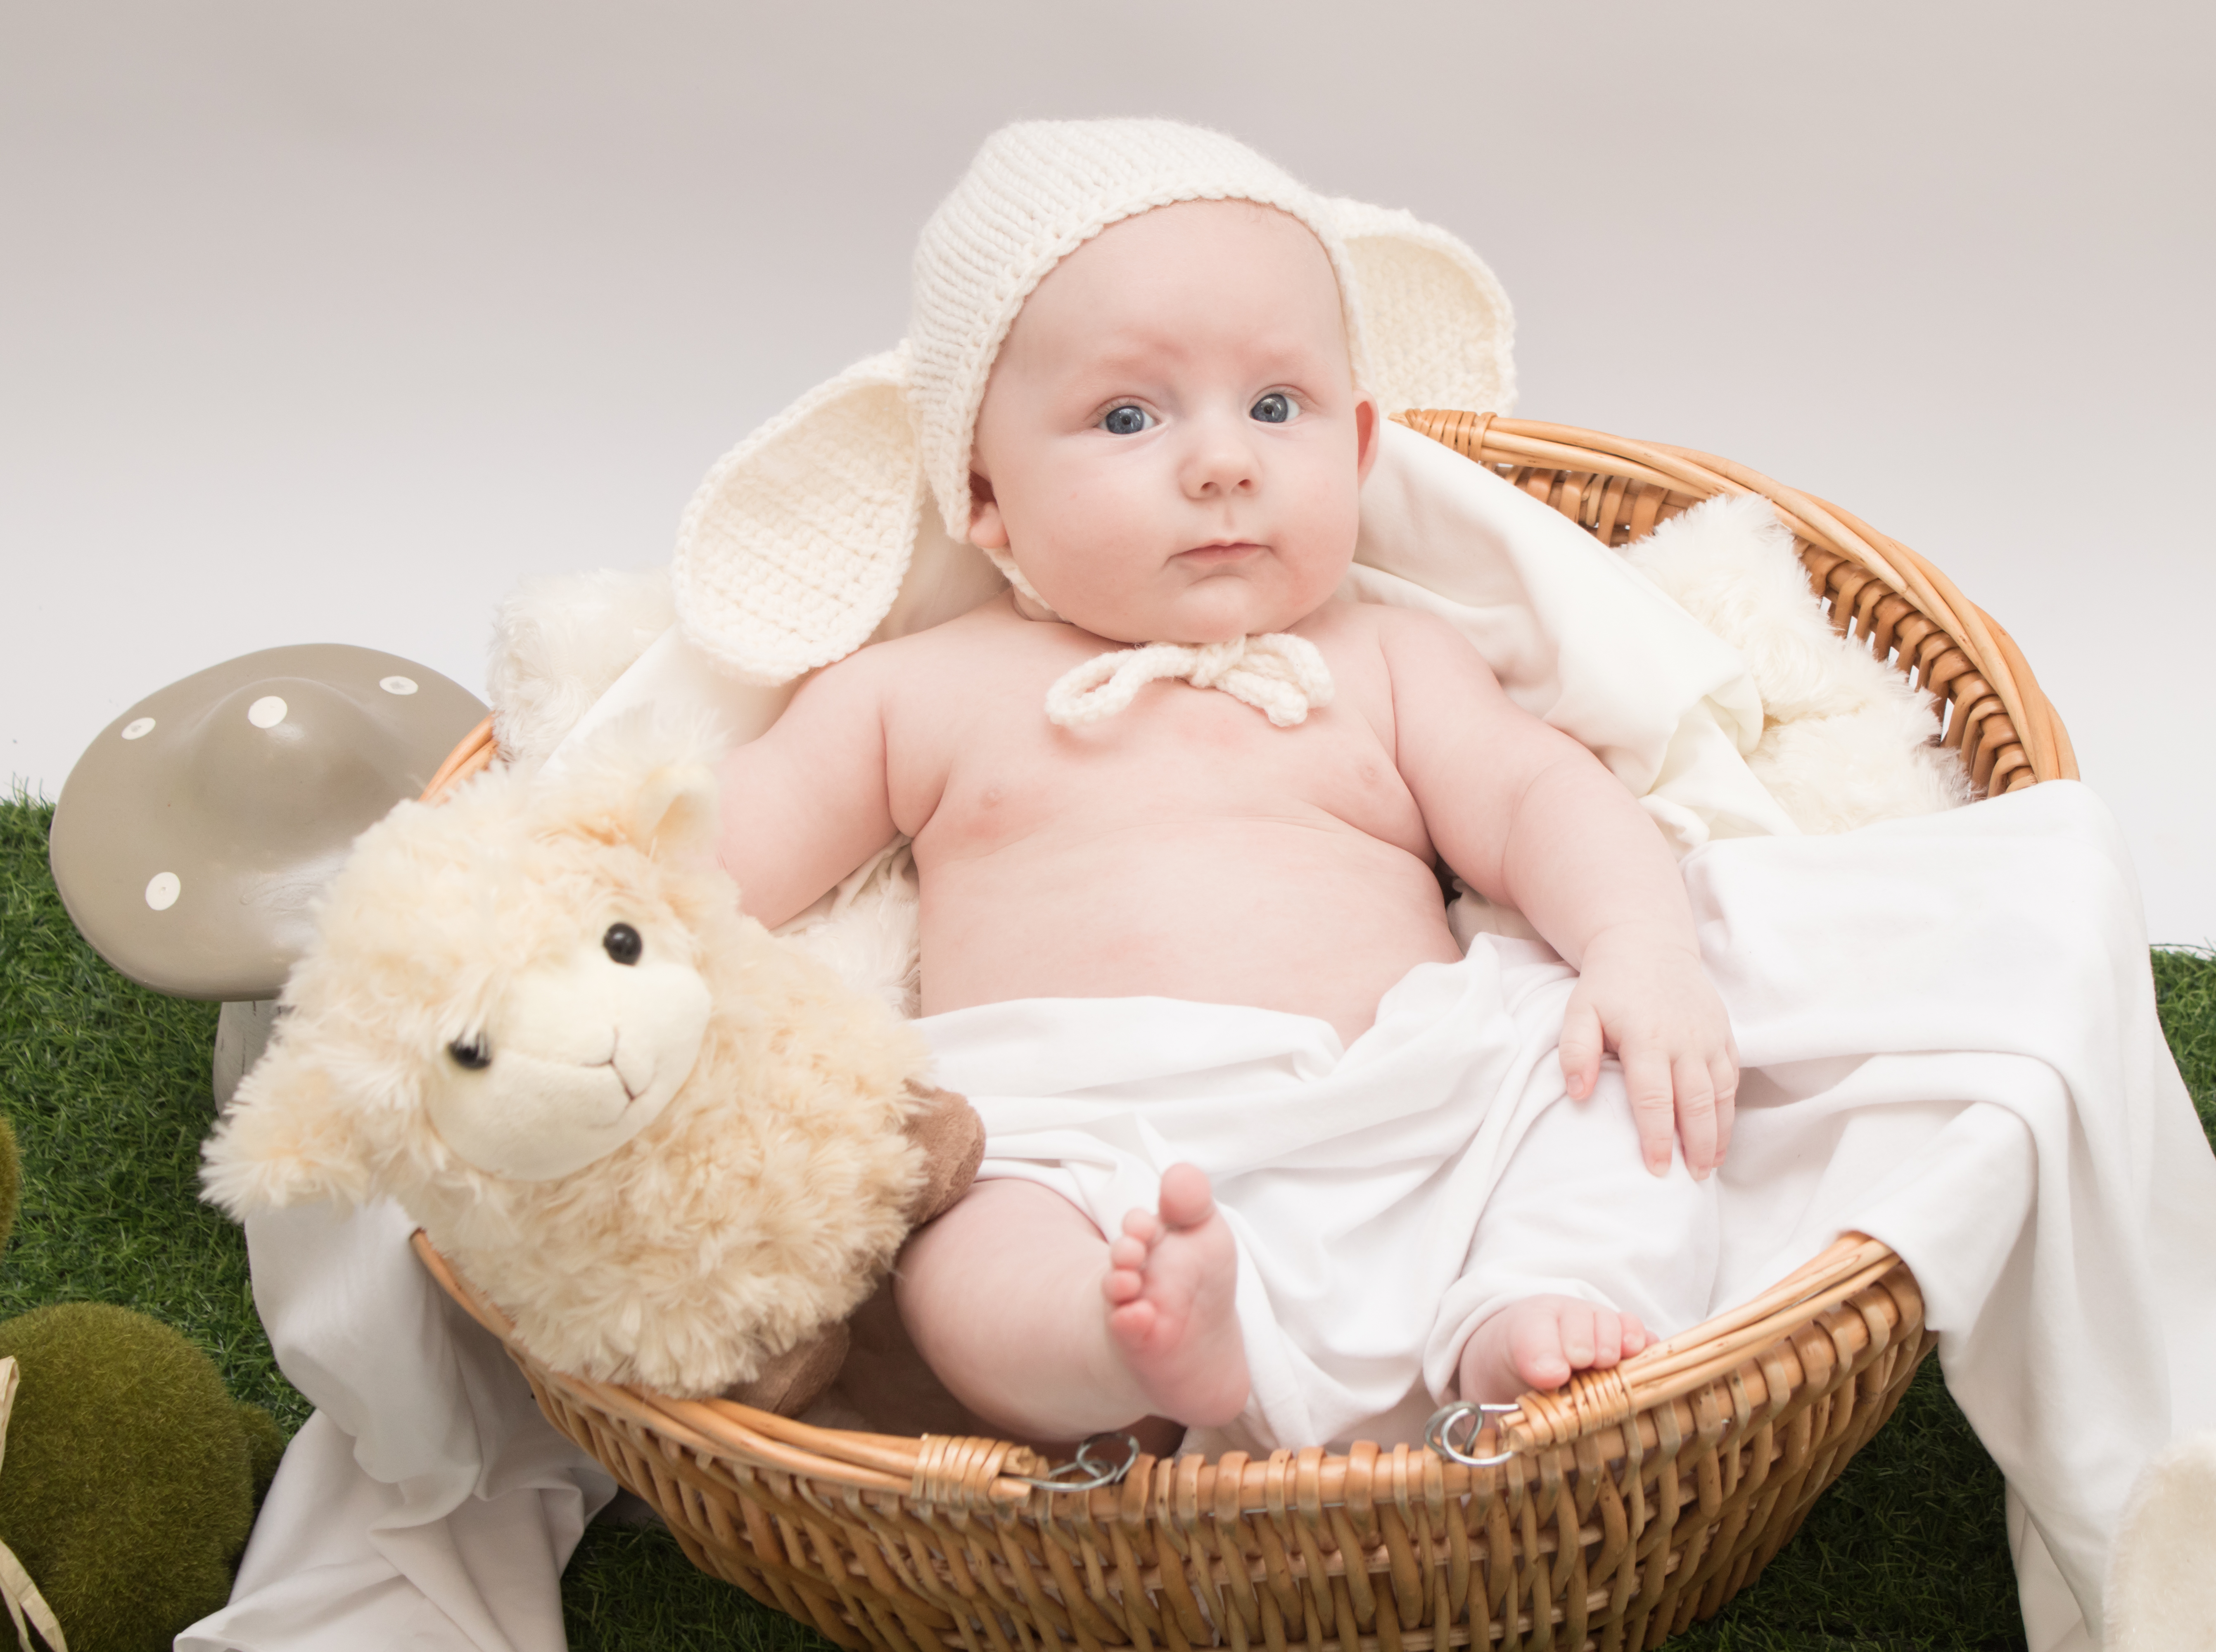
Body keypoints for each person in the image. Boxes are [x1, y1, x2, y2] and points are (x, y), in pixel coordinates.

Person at [712, 121, 1737, 1453]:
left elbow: (1542, 797)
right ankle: (1113, 1342)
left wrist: (1639, 946)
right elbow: (711, 876)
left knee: (1598, 1077)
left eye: (1275, 407)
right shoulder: (919, 690)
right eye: (1129, 417)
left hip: (1403, 1101)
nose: (1223, 461)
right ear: (984, 494)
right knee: (961, 1250)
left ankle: (1527, 1305)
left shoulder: (1385, 659)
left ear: (1360, 446)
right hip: (1073, 1138)